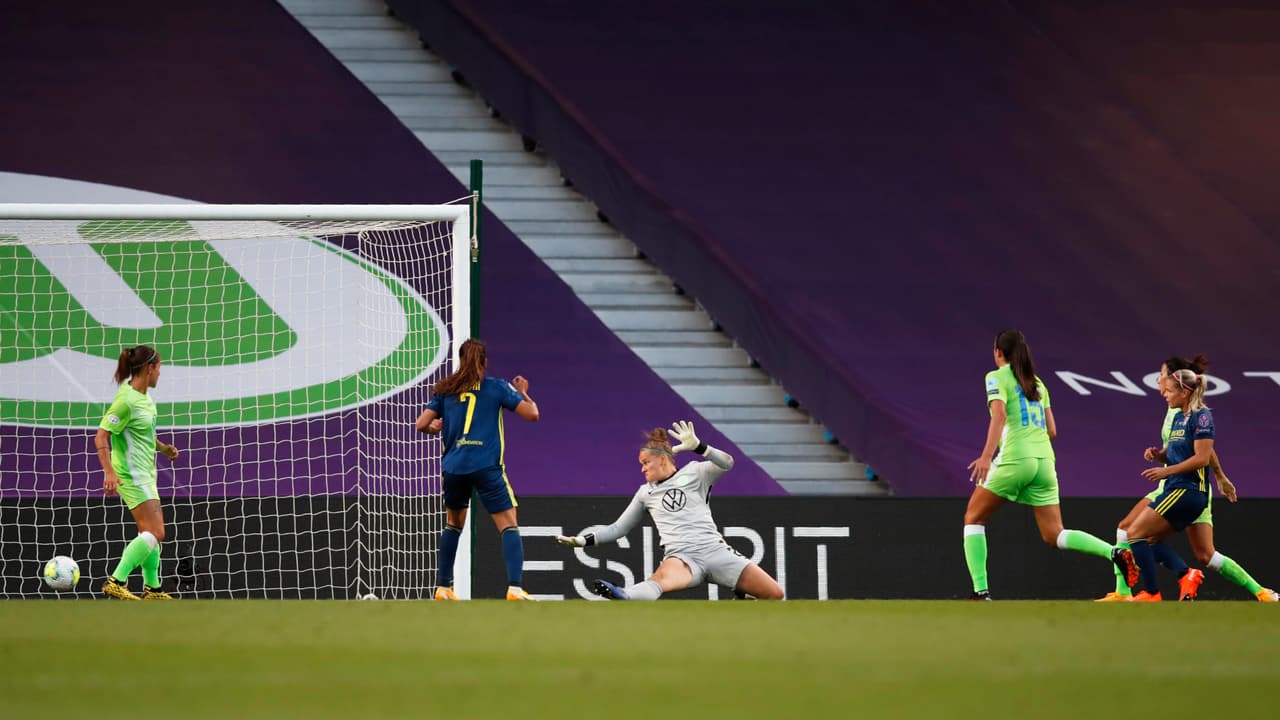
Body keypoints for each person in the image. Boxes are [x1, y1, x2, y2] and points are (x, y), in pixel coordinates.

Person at [963, 330, 1136, 600]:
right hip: (1045, 462)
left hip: (1015, 458)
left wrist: (986, 456)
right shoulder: (1037, 383)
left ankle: (980, 591)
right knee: (1054, 534)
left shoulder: (996, 377)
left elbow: (998, 415)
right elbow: (1052, 430)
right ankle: (1113, 552)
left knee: (974, 518)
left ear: (998, 352)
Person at [1103, 359, 1277, 603]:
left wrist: (1217, 476)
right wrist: (1158, 455)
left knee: (1133, 534)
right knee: (1193, 551)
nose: (1160, 385)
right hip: (1176, 486)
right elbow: (1177, 448)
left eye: (1165, 379)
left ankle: (1153, 590)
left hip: (1186, 489)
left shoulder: (1200, 415)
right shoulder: (1176, 415)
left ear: (1181, 388)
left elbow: (1204, 454)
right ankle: (1256, 591)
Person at [554, 421, 784, 601]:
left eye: (646, 462)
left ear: (663, 459)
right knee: (660, 580)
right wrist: (583, 541)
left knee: (774, 594)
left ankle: (740, 600)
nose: (642, 468)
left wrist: (700, 447)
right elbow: (618, 528)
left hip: (715, 551)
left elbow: (728, 462)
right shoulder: (645, 493)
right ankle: (624, 594)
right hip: (682, 557)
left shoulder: (695, 472)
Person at [414, 339, 539, 601]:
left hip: (454, 467)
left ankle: (443, 588)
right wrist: (524, 392)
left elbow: (421, 423)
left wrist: (432, 428)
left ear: (461, 360)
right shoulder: (496, 387)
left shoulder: (446, 390)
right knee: (508, 525)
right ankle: (515, 588)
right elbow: (532, 415)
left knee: (453, 524)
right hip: (485, 466)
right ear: (485, 362)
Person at [96, 345, 179, 600]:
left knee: (148, 533)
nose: (160, 374)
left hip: (146, 472)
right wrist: (109, 472)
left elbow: (144, 433)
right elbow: (101, 436)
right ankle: (116, 580)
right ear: (149, 368)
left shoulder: (145, 399)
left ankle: (152, 588)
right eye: (159, 368)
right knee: (157, 532)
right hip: (131, 474)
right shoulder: (127, 400)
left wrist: (163, 448)